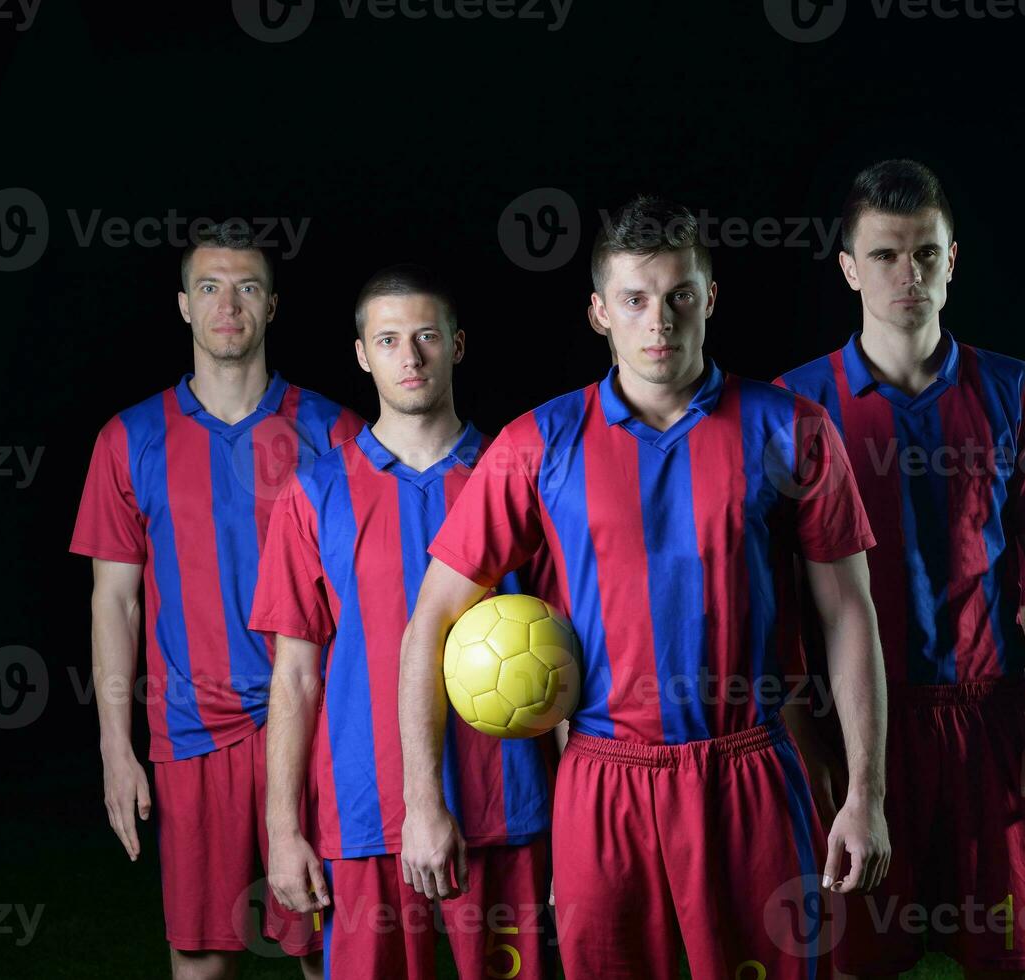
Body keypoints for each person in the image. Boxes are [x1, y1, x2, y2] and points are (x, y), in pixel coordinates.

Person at [398, 194, 891, 980]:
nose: (657, 321)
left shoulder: (790, 429)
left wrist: (864, 793)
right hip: (604, 780)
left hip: (750, 773)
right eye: (634, 300)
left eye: (678, 297)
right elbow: (430, 620)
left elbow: (848, 615)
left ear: (709, 300)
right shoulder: (538, 444)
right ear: (598, 312)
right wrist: (422, 804)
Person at [776, 160, 1025, 979]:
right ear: (848, 268)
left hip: (987, 720)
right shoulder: (792, 407)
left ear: (951, 261)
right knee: (859, 963)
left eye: (925, 253)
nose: (906, 273)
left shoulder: (1015, 389)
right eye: (883, 255)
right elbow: (770, 598)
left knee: (1011, 962)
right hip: (856, 731)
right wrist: (802, 735)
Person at [70, 226, 363, 979]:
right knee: (200, 959)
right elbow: (115, 602)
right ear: (182, 306)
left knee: (330, 951)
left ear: (272, 307)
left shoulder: (333, 432)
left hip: (315, 727)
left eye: (246, 288)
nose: (226, 304)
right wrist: (113, 746)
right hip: (190, 731)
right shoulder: (128, 438)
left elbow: (368, 598)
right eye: (208, 287)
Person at [249, 265, 556, 978]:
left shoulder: (518, 477)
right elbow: (294, 675)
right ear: (361, 354)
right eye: (388, 340)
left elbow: (569, 658)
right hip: (365, 809)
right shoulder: (314, 492)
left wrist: (573, 819)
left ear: (457, 344)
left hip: (504, 801)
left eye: (425, 336)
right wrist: (282, 828)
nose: (409, 357)